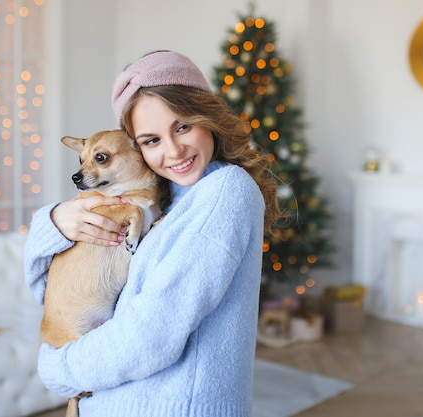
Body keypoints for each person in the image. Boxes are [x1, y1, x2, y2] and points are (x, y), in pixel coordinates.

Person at [24, 50, 281, 417]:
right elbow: (52, 293)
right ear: (137, 149)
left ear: (207, 117)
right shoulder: (165, 197)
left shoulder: (224, 192)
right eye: (151, 140)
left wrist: (58, 369)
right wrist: (54, 223)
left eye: (182, 126)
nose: (173, 150)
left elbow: (151, 337)